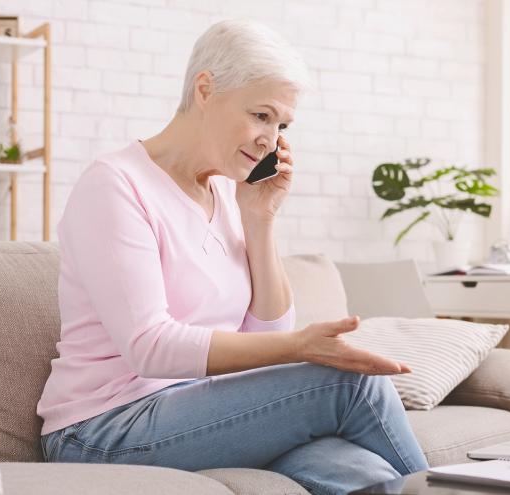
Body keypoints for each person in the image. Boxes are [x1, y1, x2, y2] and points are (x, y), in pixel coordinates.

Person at [36, 19, 429, 495]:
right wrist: (302, 349)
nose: (271, 138)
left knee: (367, 477)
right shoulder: (115, 185)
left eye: (281, 124)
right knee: (352, 383)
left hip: (198, 409)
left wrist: (259, 219)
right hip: (103, 428)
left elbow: (268, 338)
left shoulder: (227, 191)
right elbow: (149, 346)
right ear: (206, 88)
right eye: (261, 115)